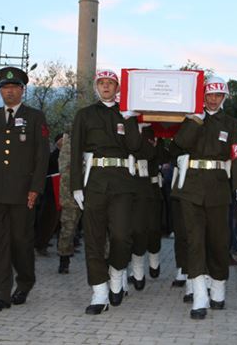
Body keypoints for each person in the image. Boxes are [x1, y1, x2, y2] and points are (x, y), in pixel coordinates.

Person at [173, 76, 237, 320]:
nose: (214, 99)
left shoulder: (231, 123)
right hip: (192, 186)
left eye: (218, 95)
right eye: (209, 95)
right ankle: (199, 296)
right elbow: (178, 146)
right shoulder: (191, 119)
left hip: (218, 187)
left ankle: (217, 286)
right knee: (195, 241)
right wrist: (196, 120)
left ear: (224, 97)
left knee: (218, 241)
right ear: (202, 96)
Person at [0, 67, 50, 312]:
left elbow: (41, 157)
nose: (9, 92)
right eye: (5, 88)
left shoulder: (35, 117)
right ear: (0, 91)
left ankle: (25, 281)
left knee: (20, 242)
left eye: (14, 88)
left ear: (22, 90)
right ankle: (1, 294)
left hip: (22, 193)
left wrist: (35, 189)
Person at [70, 69, 142, 315]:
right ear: (96, 87)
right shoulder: (85, 115)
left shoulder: (127, 114)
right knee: (94, 239)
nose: (106, 86)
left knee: (122, 236)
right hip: (96, 181)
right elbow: (75, 150)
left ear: (117, 87)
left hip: (122, 181)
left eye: (110, 83)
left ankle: (117, 271)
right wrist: (76, 186)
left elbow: (135, 146)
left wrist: (130, 118)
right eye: (102, 83)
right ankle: (99, 293)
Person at [128, 124, 163, 289]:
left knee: (153, 228)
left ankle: (154, 256)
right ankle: (137, 267)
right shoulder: (122, 124)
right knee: (135, 230)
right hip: (127, 184)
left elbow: (152, 154)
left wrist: (142, 133)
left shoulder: (151, 130)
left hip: (149, 186)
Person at [56, 133, 80, 274]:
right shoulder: (70, 142)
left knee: (100, 227)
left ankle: (105, 260)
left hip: (94, 189)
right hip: (71, 191)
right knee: (68, 227)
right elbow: (64, 169)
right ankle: (64, 258)